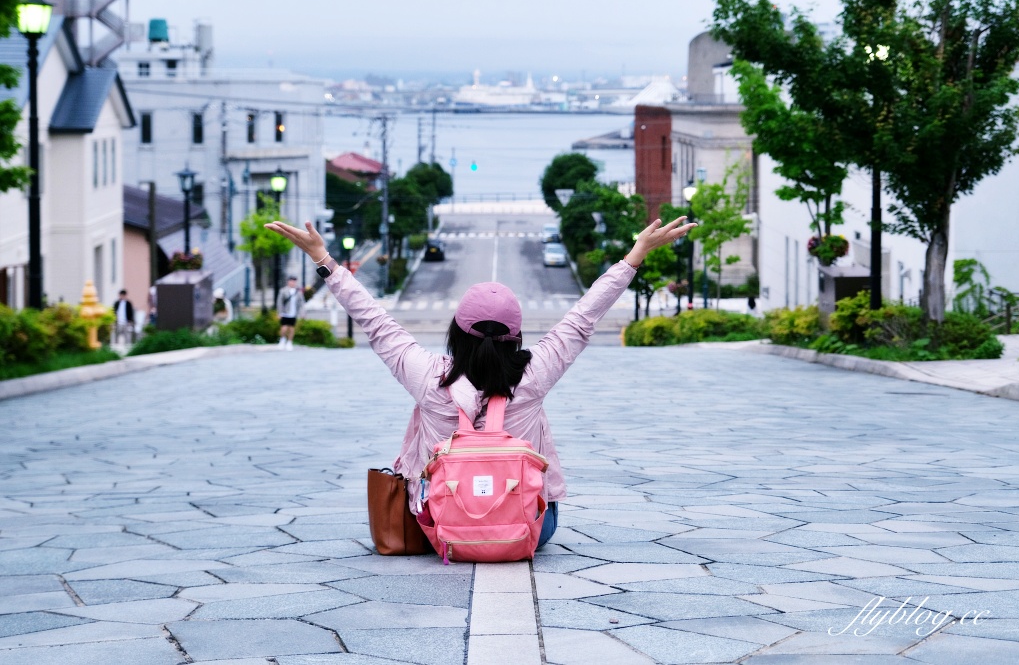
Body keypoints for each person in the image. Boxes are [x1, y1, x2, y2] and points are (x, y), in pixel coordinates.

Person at [266, 215, 696, 549]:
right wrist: (635, 254)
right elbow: (583, 319)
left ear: (456, 332)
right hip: (529, 527)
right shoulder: (534, 374)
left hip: (443, 526)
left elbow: (375, 322)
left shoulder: (427, 375)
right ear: (517, 337)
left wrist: (325, 261)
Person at [276, 276, 304, 350]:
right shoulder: (283, 290)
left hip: (294, 313)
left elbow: (301, 303)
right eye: (291, 281)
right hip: (285, 312)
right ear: (288, 282)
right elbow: (279, 302)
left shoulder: (298, 291)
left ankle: (289, 342)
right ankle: (282, 340)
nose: (293, 283)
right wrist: (279, 312)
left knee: (291, 328)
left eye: (294, 281)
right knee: (284, 328)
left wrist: (302, 313)